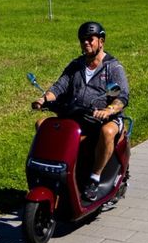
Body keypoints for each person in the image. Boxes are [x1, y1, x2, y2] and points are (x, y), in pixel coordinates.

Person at [31, 21, 129, 202]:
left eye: (90, 39)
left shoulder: (111, 68)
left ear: (101, 41)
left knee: (107, 132)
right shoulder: (76, 66)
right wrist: (44, 99)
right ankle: (48, 172)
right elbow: (59, 87)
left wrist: (108, 110)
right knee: (42, 124)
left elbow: (120, 97)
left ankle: (94, 178)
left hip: (105, 119)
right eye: (82, 40)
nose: (86, 43)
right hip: (77, 115)